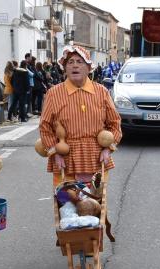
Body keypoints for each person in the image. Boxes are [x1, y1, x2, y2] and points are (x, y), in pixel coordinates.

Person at [39, 45, 122, 187]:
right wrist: (55, 152)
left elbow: (114, 123)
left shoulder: (101, 92)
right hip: (65, 159)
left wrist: (108, 149)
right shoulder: (53, 93)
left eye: (79, 61)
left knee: (96, 206)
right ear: (65, 68)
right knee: (66, 205)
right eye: (70, 62)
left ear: (89, 68)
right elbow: (45, 126)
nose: (74, 66)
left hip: (96, 157)